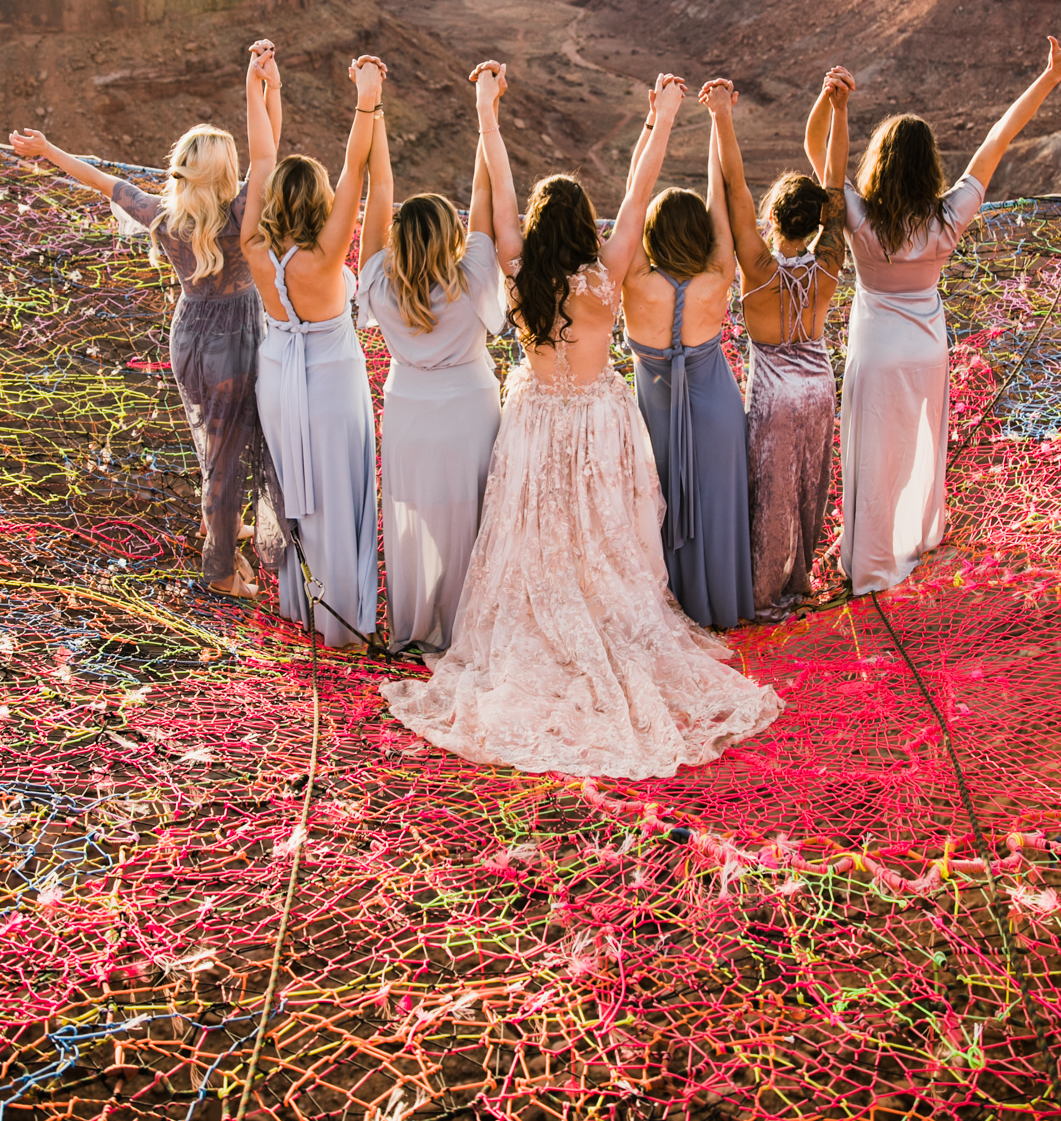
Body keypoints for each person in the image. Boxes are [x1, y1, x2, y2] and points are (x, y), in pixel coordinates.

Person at [382, 64, 781, 780]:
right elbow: (637, 190)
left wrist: (486, 112)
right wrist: (660, 114)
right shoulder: (606, 267)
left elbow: (498, 190)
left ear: (537, 226)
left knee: (538, 532)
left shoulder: (516, 266)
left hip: (535, 417)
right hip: (599, 416)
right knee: (603, 531)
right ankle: (605, 618)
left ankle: (545, 631)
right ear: (580, 223)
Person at [8, 43, 282, 599]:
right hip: (234, 340)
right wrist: (260, 88)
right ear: (227, 172)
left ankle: (220, 522)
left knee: (214, 440)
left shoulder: (163, 216)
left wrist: (47, 148)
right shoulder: (240, 215)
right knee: (229, 451)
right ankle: (222, 570)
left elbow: (101, 180)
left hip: (188, 334)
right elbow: (268, 154)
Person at [830, 34, 1061, 596]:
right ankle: (915, 538)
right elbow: (999, 138)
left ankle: (868, 560)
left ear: (878, 163)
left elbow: (830, 177)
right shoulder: (950, 216)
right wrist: (1050, 76)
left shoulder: (860, 219)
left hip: (876, 354)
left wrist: (838, 108)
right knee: (921, 449)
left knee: (871, 457)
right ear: (930, 167)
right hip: (927, 352)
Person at [357, 69, 507, 653]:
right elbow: (484, 199)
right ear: (450, 235)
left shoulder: (381, 281)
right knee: (472, 517)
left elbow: (379, 192)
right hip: (470, 408)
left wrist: (373, 111)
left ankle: (417, 624)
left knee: (415, 519)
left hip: (409, 410)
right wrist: (483, 109)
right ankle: (471, 626)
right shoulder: (471, 273)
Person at [242, 48, 386, 647]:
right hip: (328, 379)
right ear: (319, 198)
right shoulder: (326, 256)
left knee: (293, 491)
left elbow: (260, 157)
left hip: (276, 376)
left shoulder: (254, 243)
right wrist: (367, 98)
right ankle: (342, 620)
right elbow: (357, 168)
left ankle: (299, 609)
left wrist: (261, 90)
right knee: (337, 491)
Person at [703, 69, 851, 612]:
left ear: (771, 218)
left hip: (775, 396)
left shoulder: (759, 269)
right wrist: (839, 109)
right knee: (809, 487)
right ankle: (798, 580)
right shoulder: (830, 261)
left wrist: (722, 116)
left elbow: (735, 186)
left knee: (771, 495)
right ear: (816, 224)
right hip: (818, 388)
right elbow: (834, 183)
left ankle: (763, 593)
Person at [621, 78, 753, 630]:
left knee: (655, 513)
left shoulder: (632, 278)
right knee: (719, 513)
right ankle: (720, 609)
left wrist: (658, 120)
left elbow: (634, 192)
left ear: (647, 234)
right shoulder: (719, 274)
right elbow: (720, 195)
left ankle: (665, 615)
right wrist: (718, 118)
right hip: (717, 410)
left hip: (652, 418)